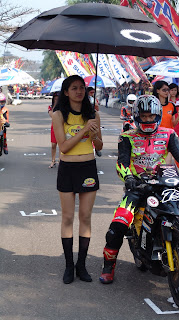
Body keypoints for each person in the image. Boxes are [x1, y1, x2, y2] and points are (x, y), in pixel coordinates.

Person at [99, 95, 179, 284]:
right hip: (137, 188)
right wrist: (128, 178)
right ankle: (108, 267)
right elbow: (122, 163)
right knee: (118, 226)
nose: (148, 120)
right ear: (136, 116)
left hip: (164, 185)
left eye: (151, 116)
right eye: (144, 116)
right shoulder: (127, 136)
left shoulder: (169, 134)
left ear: (158, 116)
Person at [52, 75, 103, 284]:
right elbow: (63, 147)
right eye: (74, 88)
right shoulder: (58, 115)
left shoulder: (94, 114)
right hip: (67, 168)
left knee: (85, 217)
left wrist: (94, 135)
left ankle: (81, 265)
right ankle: (68, 265)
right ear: (66, 92)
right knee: (67, 218)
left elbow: (99, 147)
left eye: (82, 88)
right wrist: (83, 129)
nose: (79, 91)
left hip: (88, 167)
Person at [87, 87, 101, 157]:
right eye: (91, 93)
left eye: (93, 93)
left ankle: (96, 149)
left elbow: (97, 109)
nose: (92, 94)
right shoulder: (85, 99)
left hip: (93, 118)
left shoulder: (94, 100)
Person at [48, 92, 59, 168]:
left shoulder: (63, 107)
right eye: (55, 98)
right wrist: (55, 105)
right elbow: (52, 116)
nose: (56, 99)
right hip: (54, 126)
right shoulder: (51, 107)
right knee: (53, 145)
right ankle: (53, 160)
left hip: (62, 126)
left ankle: (61, 160)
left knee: (62, 145)